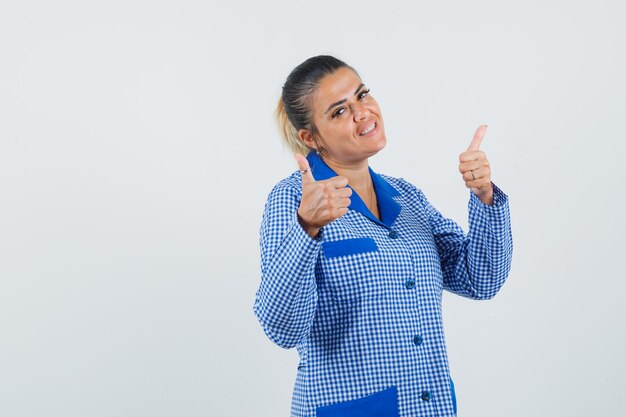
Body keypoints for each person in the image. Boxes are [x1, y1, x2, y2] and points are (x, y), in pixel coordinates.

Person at [252, 55, 513, 417]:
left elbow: (480, 279)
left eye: (362, 95)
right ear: (310, 138)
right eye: (339, 112)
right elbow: (283, 329)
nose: (362, 113)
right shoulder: (292, 201)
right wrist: (306, 228)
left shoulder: (406, 196)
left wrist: (484, 196)